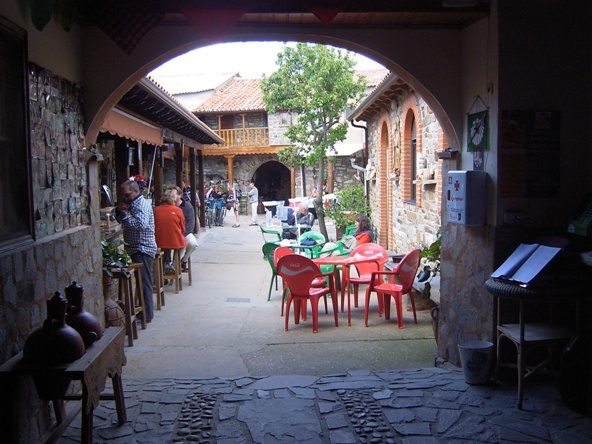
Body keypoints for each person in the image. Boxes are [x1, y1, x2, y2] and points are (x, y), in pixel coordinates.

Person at [115, 179, 157, 323]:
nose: (125, 198)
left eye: (127, 195)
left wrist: (126, 216)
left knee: (144, 283)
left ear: (136, 191)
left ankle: (147, 315)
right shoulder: (132, 204)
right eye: (123, 195)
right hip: (135, 248)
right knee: (141, 282)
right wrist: (120, 212)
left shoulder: (142, 204)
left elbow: (141, 224)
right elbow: (121, 220)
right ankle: (145, 312)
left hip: (142, 248)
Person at [154, 190, 187, 275]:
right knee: (183, 247)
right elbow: (183, 228)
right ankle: (175, 264)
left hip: (159, 241)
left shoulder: (156, 210)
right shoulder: (178, 210)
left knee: (165, 247)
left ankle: (166, 265)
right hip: (175, 241)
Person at [173, 186, 197, 270]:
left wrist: (182, 235)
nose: (171, 196)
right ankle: (172, 264)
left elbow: (190, 224)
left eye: (174, 194)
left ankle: (184, 260)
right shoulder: (169, 206)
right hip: (173, 234)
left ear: (179, 195)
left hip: (184, 233)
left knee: (193, 243)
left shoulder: (188, 207)